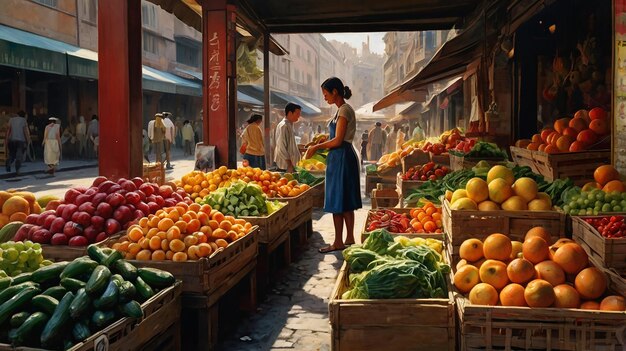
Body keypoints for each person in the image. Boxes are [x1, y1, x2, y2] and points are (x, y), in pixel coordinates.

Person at [306, 77, 362, 253]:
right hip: (342, 157)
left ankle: (338, 241)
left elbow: (338, 141)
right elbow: (337, 138)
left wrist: (316, 147)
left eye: (325, 94)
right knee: (344, 199)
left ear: (335, 92)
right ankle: (349, 238)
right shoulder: (341, 110)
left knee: (338, 199)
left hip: (342, 157)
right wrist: (323, 141)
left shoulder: (344, 111)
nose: (325, 98)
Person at [274, 103, 302, 173]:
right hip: (285, 166)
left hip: (290, 166)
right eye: (297, 113)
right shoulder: (284, 126)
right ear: (290, 113)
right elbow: (281, 146)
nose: (299, 116)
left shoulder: (290, 124)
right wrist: (289, 164)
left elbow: (289, 144)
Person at [6, 111, 31, 175]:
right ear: (24, 116)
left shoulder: (11, 120)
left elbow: (8, 130)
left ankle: (9, 161)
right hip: (21, 141)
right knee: (19, 156)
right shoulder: (23, 120)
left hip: (11, 140)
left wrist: (6, 139)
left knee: (12, 154)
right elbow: (25, 131)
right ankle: (18, 170)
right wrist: (28, 140)